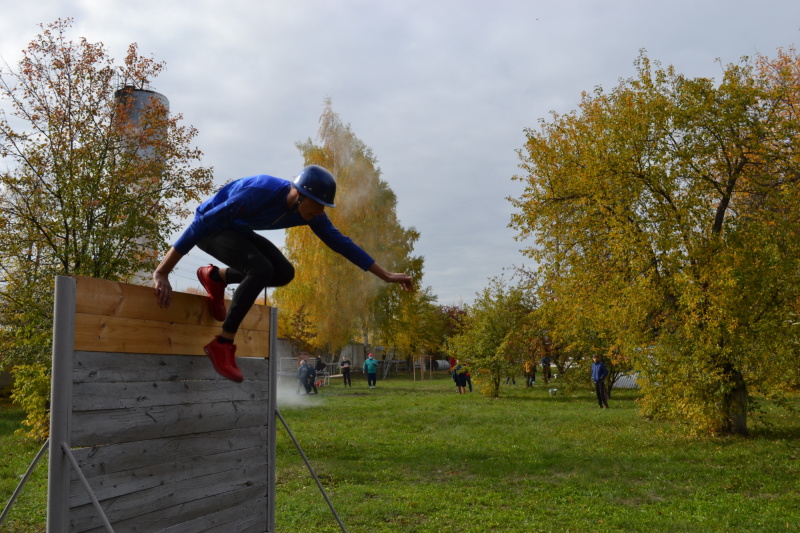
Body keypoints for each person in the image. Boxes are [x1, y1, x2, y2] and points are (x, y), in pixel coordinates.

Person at [152, 165, 414, 382]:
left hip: (238, 231)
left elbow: (341, 243)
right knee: (260, 268)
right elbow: (199, 225)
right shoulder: (259, 192)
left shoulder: (311, 214)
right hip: (210, 229)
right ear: (300, 194)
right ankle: (223, 343)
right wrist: (162, 272)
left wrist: (387, 275)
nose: (320, 212)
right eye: (318, 205)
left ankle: (215, 277)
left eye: (325, 207)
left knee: (283, 273)